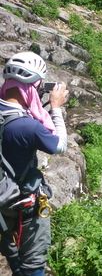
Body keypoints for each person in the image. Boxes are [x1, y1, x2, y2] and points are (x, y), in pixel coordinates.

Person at [0, 51, 68, 276]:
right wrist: (55, 108)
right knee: (34, 262)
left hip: (2, 198)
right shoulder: (29, 127)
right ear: (32, 87)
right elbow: (59, 146)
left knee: (11, 249)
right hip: (23, 204)